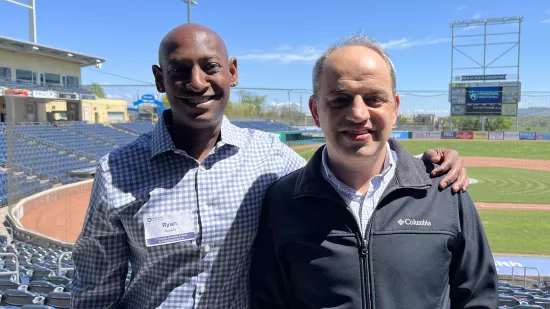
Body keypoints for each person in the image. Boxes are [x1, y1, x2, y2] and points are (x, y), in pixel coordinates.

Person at [71, 24, 470, 309]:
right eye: (178, 70)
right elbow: (94, 291)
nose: (196, 82)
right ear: (160, 79)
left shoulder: (270, 158)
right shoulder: (116, 171)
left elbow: (343, 172)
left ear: (232, 73)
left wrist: (423, 166)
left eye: (210, 67)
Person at [250, 34, 498, 309]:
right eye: (340, 99)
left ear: (395, 108)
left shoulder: (445, 191)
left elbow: (479, 297)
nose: (358, 114)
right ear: (315, 110)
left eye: (374, 99)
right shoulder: (282, 201)